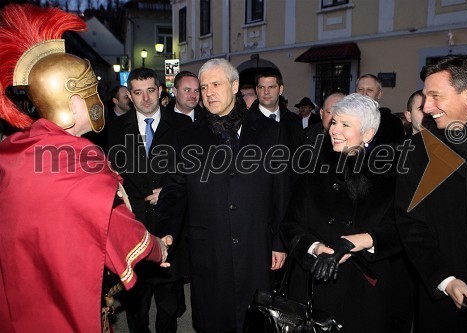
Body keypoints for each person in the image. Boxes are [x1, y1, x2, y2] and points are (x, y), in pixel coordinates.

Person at [0, 4, 171, 332]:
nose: (98, 100)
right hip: (61, 295)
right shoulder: (80, 158)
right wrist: (157, 246)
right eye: (91, 91)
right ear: (74, 101)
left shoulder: (16, 148)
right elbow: (112, 227)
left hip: (22, 293)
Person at [155, 58, 290, 333]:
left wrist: (280, 241)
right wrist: (165, 232)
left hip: (256, 247)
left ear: (235, 86)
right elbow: (174, 191)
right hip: (209, 251)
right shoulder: (188, 137)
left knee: (256, 322)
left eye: (216, 85)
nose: (208, 93)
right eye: (204, 88)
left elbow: (282, 191)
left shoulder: (270, 132)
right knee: (213, 322)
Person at [280, 93, 413, 333]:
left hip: (363, 291)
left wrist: (355, 243)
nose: (334, 130)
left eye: (345, 125)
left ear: (368, 134)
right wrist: (315, 247)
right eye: (334, 122)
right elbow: (290, 225)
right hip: (312, 285)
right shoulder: (313, 169)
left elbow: (400, 230)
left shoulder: (389, 177)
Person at [395, 55, 467, 332]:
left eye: (435, 96)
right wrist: (444, 279)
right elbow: (410, 225)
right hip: (444, 307)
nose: (426, 107)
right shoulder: (417, 150)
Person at [106, 68, 191, 333]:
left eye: (151, 91)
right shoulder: (115, 129)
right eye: (138, 92)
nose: (145, 98)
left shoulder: (182, 126)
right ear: (129, 96)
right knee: (136, 307)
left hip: (170, 225)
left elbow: (195, 173)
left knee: (168, 307)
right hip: (133, 229)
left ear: (160, 91)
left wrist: (169, 190)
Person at [248, 66, 304, 155]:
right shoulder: (244, 122)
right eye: (262, 87)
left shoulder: (293, 122)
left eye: (271, 87)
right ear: (256, 90)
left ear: (280, 89)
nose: (266, 92)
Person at [356, 74, 405, 144]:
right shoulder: (346, 118)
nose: (364, 94)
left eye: (369, 90)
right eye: (360, 89)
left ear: (379, 94)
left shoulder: (392, 123)